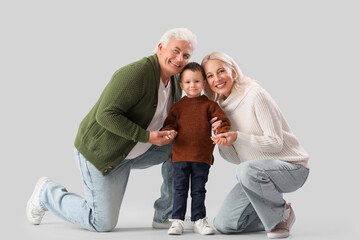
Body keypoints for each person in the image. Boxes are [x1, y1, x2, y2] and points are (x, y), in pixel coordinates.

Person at [26, 28, 197, 232]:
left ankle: (166, 215)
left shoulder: (176, 80)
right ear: (161, 48)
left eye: (186, 55)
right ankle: (46, 193)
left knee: (182, 146)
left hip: (137, 151)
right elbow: (106, 115)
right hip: (104, 153)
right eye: (175, 51)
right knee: (101, 223)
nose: (180, 59)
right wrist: (147, 136)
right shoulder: (136, 74)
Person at [201, 52, 309, 239]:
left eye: (221, 71)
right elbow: (237, 159)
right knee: (223, 224)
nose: (217, 78)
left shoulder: (254, 94)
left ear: (233, 72)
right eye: (210, 75)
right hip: (255, 173)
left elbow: (275, 143)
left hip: (292, 168)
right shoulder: (219, 109)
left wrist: (238, 136)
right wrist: (223, 139)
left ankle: (280, 217)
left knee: (246, 171)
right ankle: (269, 215)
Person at [162, 62, 231, 235]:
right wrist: (168, 132)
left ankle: (198, 220)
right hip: (179, 157)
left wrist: (222, 133)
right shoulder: (177, 107)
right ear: (181, 85)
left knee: (199, 190)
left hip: (202, 157)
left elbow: (222, 122)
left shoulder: (210, 106)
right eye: (188, 82)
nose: (192, 85)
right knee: (179, 189)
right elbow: (168, 124)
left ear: (204, 83)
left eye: (197, 81)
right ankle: (177, 221)